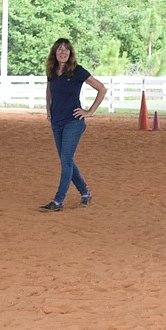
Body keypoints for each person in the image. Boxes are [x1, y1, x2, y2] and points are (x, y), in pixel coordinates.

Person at [39, 38, 107, 211]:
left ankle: (58, 201)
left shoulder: (77, 71)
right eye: (60, 49)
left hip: (73, 122)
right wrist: (48, 110)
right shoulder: (52, 71)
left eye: (66, 49)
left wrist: (89, 112)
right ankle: (85, 192)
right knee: (66, 159)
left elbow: (101, 88)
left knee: (66, 160)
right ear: (55, 52)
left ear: (70, 53)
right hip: (57, 122)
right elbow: (49, 91)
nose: (63, 52)